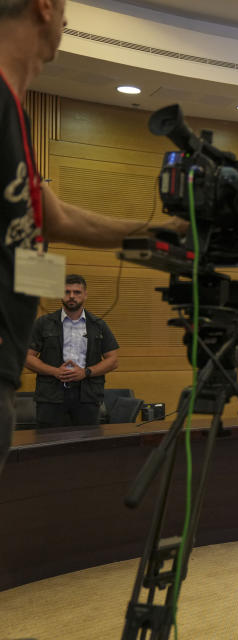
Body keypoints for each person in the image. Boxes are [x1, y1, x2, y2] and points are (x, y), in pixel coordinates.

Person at [0, 0, 183, 472]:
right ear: (44, 7)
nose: (66, 23)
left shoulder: (16, 117)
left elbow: (57, 218)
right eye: (64, 11)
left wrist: (162, 232)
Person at [24, 274, 118, 427]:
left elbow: (113, 361)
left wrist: (85, 372)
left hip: (87, 396)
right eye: (67, 292)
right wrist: (54, 371)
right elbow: (27, 357)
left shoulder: (98, 325)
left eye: (77, 292)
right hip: (50, 396)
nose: (71, 296)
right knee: (47, 445)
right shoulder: (43, 323)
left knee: (86, 446)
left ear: (85, 295)